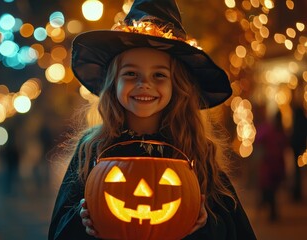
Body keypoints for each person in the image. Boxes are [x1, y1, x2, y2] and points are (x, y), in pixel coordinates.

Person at [48, 0, 256, 239]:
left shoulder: (197, 150)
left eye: (159, 75)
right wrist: (81, 221)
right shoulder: (92, 149)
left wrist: (205, 225)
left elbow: (234, 230)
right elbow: (60, 231)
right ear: (113, 83)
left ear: (176, 85)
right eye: (131, 74)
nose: (143, 84)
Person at [255, 110, 288, 222]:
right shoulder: (280, 131)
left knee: (270, 190)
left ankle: (268, 209)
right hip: (276, 165)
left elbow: (258, 138)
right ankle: (271, 211)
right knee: (273, 190)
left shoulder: (269, 129)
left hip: (270, 165)